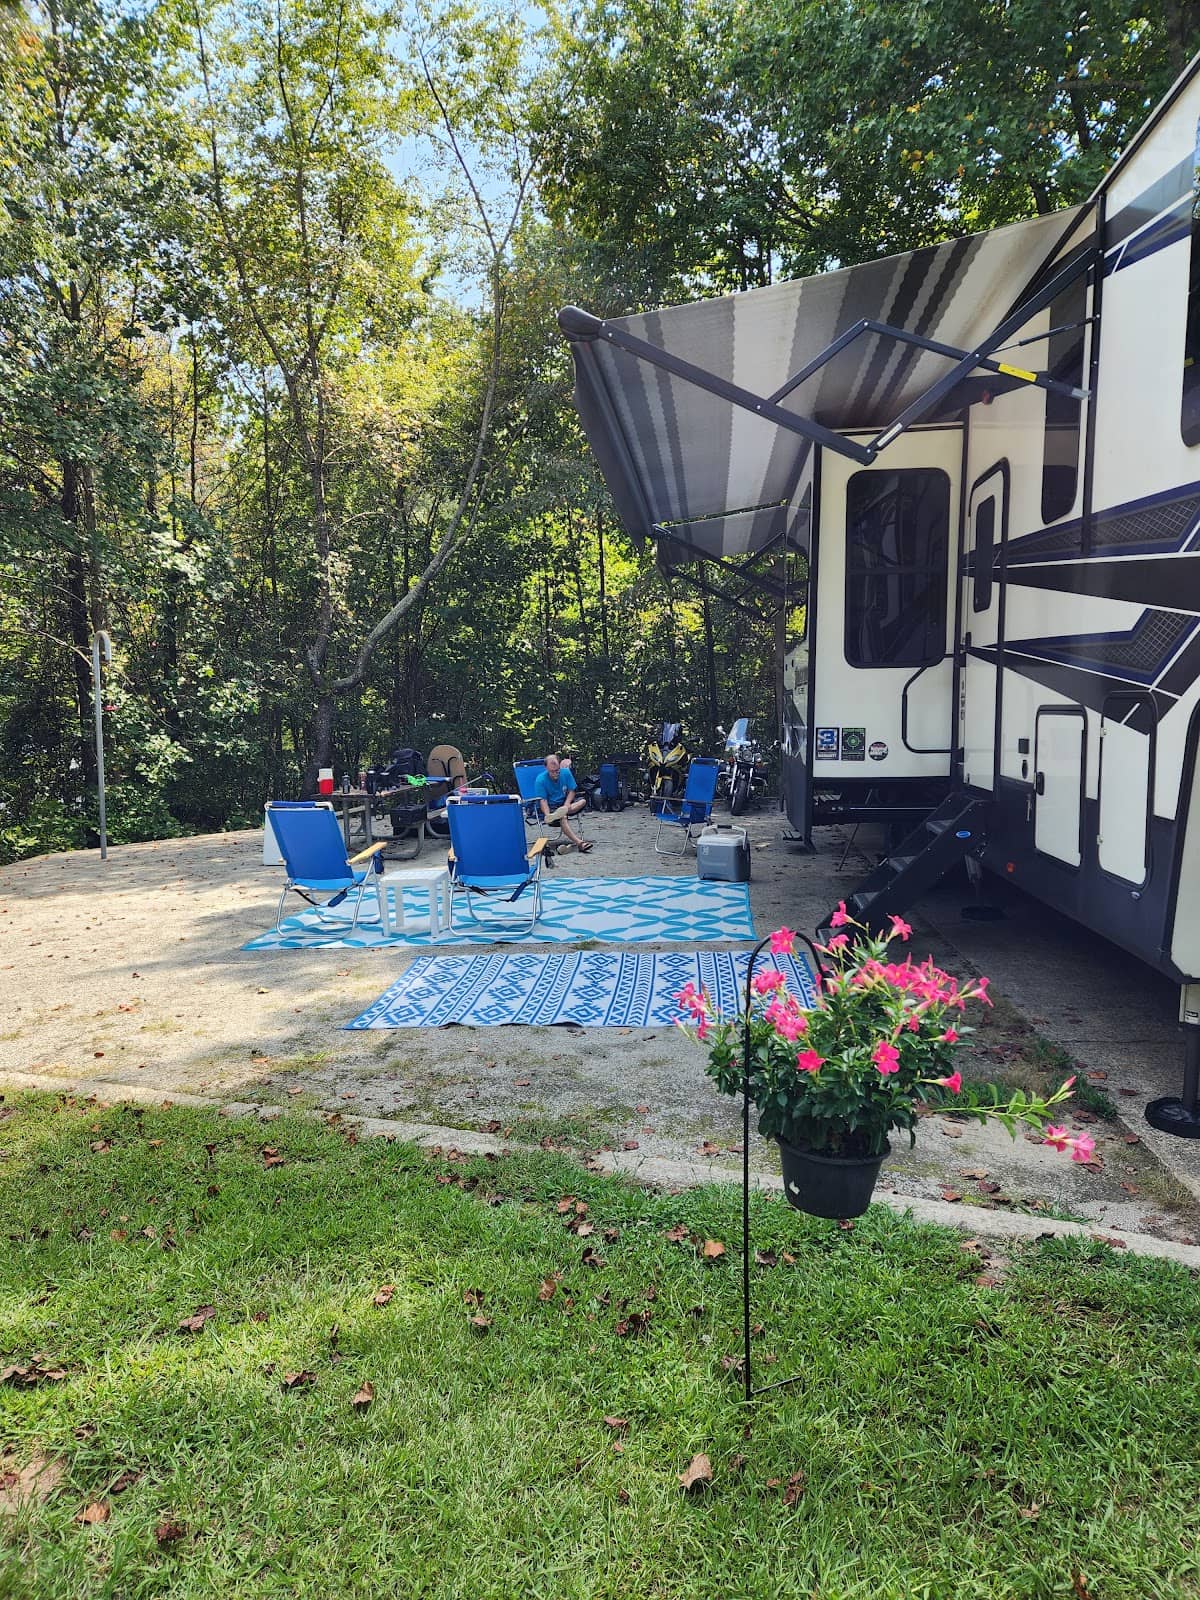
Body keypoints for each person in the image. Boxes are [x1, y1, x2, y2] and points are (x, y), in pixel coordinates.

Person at [535, 752, 592, 852]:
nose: (555, 773)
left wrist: (566, 804)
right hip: (552, 805)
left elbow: (572, 790)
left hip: (566, 804)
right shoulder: (540, 780)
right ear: (546, 768)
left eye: (557, 771)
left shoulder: (566, 772)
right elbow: (543, 800)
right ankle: (580, 843)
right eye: (552, 771)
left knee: (582, 801)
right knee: (563, 816)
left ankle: (562, 811)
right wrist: (547, 815)